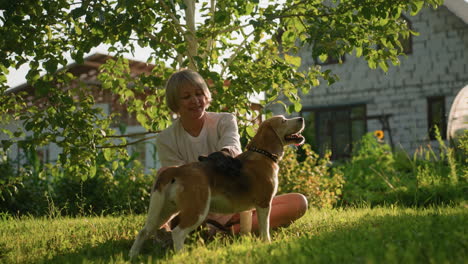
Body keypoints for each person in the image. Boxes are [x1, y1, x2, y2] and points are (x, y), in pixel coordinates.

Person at [156, 68, 308, 235]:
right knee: (164, 176)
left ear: (206, 96)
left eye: (199, 94)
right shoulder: (166, 138)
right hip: (195, 206)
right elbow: (176, 185)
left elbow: (233, 149)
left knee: (298, 202)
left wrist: (223, 155)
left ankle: (224, 232)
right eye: (186, 97)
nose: (195, 100)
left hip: (237, 201)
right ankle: (213, 229)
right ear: (175, 103)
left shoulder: (225, 120)